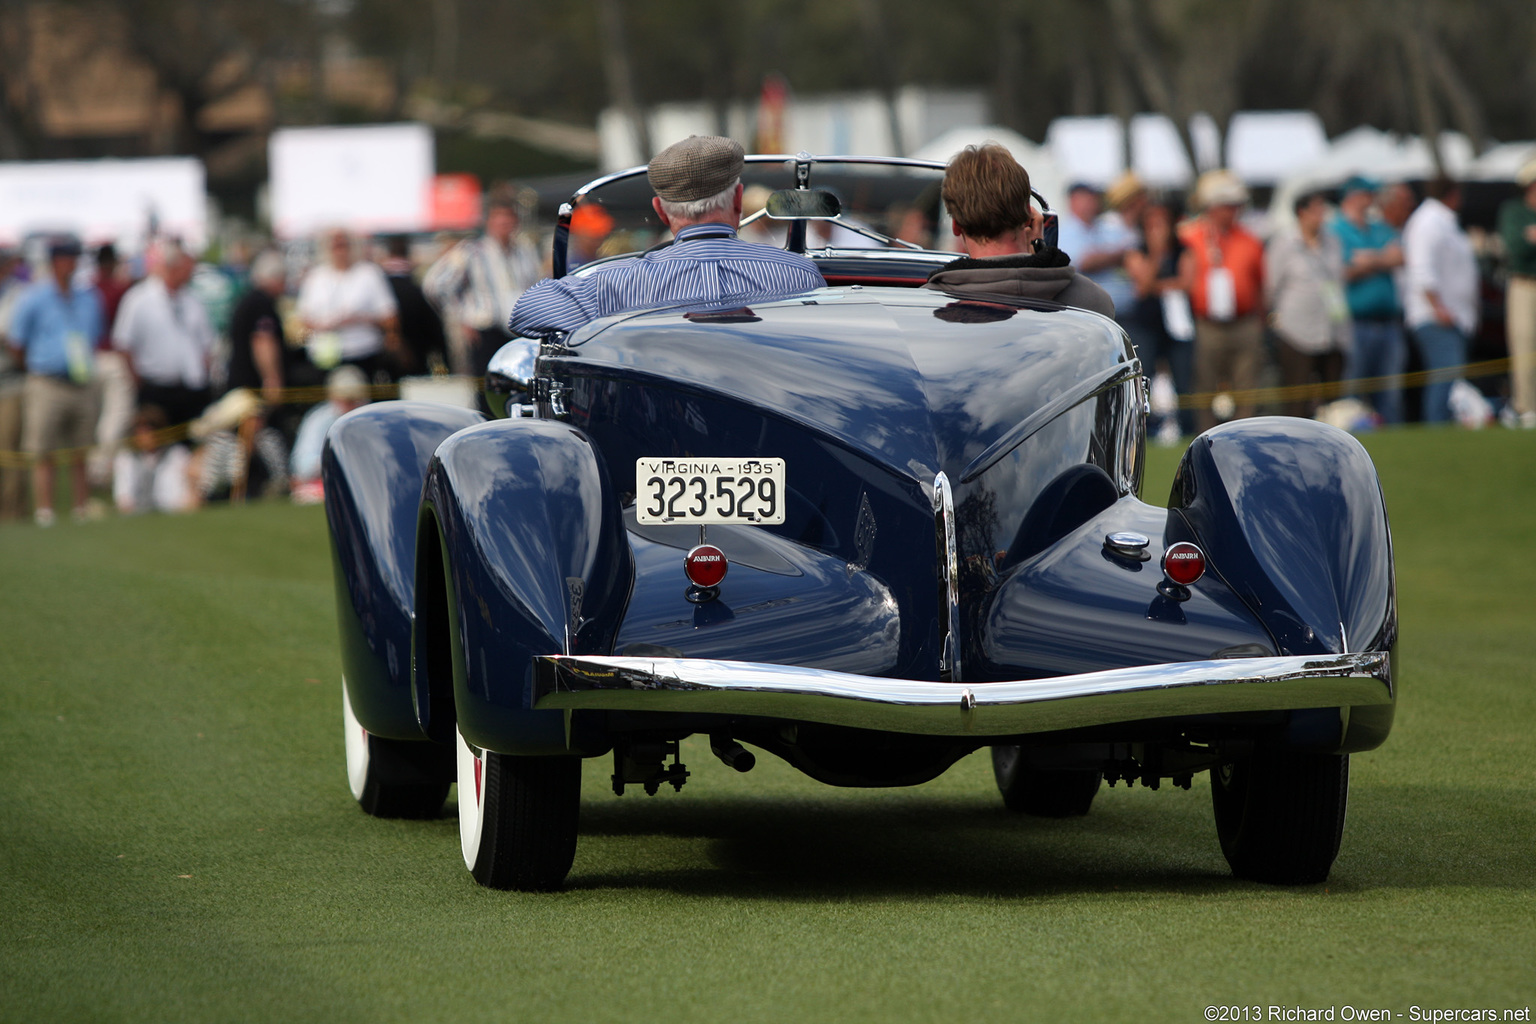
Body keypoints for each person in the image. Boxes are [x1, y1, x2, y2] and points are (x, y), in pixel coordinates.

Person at [508, 135, 826, 338]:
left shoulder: (616, 285)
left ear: (661, 211)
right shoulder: (798, 273)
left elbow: (526, 311)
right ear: (739, 200)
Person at [921, 143, 1114, 316]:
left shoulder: (923, 309)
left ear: (956, 226)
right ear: (1029, 217)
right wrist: (1040, 254)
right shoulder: (1093, 302)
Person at [6, 235, 103, 526]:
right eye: (66, 258)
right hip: (46, 380)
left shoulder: (88, 297)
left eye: (74, 258)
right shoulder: (33, 297)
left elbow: (94, 337)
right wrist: (34, 366)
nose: (71, 264)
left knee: (81, 448)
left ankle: (80, 507)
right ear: (54, 262)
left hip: (81, 380)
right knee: (42, 449)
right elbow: (16, 341)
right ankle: (45, 511)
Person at [1179, 169, 1266, 432]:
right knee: (1204, 385)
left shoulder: (1250, 240)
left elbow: (1260, 284)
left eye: (1235, 207)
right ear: (1211, 208)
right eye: (1226, 206)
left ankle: (1242, 434)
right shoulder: (1190, 237)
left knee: (1246, 386)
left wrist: (1261, 321)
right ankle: (1206, 436)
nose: (1232, 212)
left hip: (1244, 323)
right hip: (1207, 324)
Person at [423, 191, 538, 377]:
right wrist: (460, 318)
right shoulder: (473, 251)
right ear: (489, 222)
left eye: (508, 218)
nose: (504, 224)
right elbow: (436, 284)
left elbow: (535, 286)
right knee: (487, 384)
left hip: (519, 330)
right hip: (486, 330)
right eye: (499, 218)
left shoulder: (524, 251)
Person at [112, 241, 216, 426]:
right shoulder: (139, 299)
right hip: (155, 388)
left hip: (191, 387)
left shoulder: (192, 301)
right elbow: (123, 344)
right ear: (174, 268)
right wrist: (138, 382)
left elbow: (206, 342)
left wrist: (203, 371)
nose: (191, 273)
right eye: (187, 267)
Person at [1266, 191, 1350, 419]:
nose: (1321, 216)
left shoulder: (1333, 242)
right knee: (1297, 399)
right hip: (1296, 330)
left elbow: (1339, 279)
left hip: (1333, 330)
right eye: (1316, 210)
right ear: (1301, 213)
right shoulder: (1284, 243)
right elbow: (1271, 286)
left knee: (1332, 400)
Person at [1402, 177, 1478, 424]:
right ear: (1454, 194)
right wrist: (1438, 308)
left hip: (1452, 315)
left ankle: (1442, 424)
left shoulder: (1441, 221)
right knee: (1444, 376)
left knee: (1449, 377)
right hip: (1436, 316)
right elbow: (1422, 269)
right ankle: (1437, 426)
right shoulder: (1428, 222)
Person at [1331, 175, 1407, 424]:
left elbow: (1399, 256)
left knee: (1390, 391)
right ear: (1354, 196)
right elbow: (1343, 270)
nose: (1372, 200)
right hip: (1356, 323)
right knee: (1354, 391)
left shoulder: (1378, 227)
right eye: (1368, 195)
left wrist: (1369, 260)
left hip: (1388, 322)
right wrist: (1381, 259)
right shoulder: (1335, 228)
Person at [1124, 200, 1195, 438]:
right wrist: (1156, 253)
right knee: (1146, 378)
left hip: (1178, 326)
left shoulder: (1183, 250)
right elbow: (1142, 286)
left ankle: (1187, 429)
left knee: (1184, 379)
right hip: (1146, 324)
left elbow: (1186, 283)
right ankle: (1146, 430)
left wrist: (1156, 285)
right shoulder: (1137, 251)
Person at [295, 229, 398, 382]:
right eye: (335, 246)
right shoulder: (316, 277)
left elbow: (390, 317)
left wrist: (361, 320)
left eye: (343, 245)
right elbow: (303, 319)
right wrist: (325, 325)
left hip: (363, 352)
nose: (339, 251)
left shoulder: (368, 273)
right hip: (325, 356)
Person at [289, 366, 370, 504]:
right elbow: (302, 466)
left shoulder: (371, 419)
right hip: (326, 484)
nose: (351, 405)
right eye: (346, 400)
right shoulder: (319, 419)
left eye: (355, 399)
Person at [1054, 182, 1137, 315]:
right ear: (1073, 200)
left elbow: (1132, 249)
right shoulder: (1063, 232)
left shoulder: (1105, 227)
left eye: (1094, 198)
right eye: (1088, 198)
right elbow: (1085, 263)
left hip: (1124, 310)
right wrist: (1118, 255)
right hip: (1091, 315)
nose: (1093, 203)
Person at [1496, 157, 1536, 428]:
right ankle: (1527, 407)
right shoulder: (1514, 211)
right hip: (1524, 284)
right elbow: (1516, 246)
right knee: (1525, 342)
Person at [226, 250, 292, 405]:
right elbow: (263, 341)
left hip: (242, 382)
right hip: (251, 384)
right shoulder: (262, 304)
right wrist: (272, 379)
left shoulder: (249, 299)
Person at [379, 235, 447, 379]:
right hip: (418, 354)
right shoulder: (418, 287)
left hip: (383, 357)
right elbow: (435, 329)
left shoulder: (379, 284)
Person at [112, 404, 193, 514]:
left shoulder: (177, 454)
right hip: (137, 514)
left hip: (171, 511)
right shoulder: (126, 458)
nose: (144, 435)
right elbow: (123, 497)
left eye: (149, 429)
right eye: (140, 429)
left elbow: (184, 495)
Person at [0, 246, 30, 520]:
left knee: (10, 451)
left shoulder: (19, 295)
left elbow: (16, 339)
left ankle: (12, 513)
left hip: (9, 383)